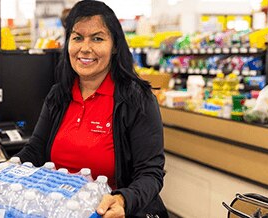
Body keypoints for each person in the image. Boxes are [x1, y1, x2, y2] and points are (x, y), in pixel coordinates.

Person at [15, 1, 168, 217]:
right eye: (77, 37)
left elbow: (150, 173)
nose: (85, 48)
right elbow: (35, 151)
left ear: (114, 45)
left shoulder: (136, 100)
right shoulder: (58, 95)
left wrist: (123, 199)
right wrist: (1, 172)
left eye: (97, 38)